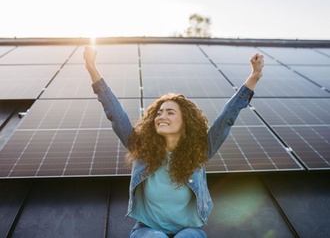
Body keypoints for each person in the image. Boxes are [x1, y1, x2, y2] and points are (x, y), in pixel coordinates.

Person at [84, 45, 264, 238]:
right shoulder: (142, 150)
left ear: (185, 122)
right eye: (159, 112)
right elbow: (115, 113)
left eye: (170, 112)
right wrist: (92, 68)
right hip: (147, 230)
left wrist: (254, 76)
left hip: (188, 231)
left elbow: (227, 116)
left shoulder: (200, 151)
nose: (162, 116)